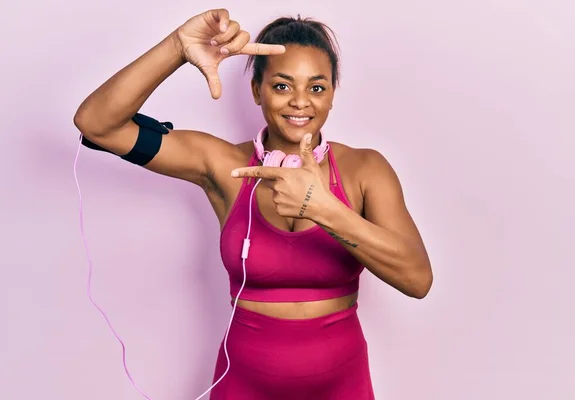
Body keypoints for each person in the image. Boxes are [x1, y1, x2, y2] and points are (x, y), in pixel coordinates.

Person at [73, 8, 433, 400]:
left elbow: (417, 280)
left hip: (341, 387)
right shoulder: (223, 165)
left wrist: (323, 209)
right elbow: (97, 124)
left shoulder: (366, 169)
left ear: (332, 93)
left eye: (317, 87)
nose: (301, 103)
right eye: (282, 86)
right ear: (256, 90)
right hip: (243, 387)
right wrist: (178, 47)